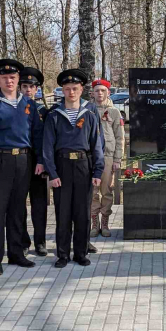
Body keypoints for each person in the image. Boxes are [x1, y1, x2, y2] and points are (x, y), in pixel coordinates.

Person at [0, 59, 39, 275]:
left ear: (18, 79)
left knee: (18, 209)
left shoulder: (28, 104)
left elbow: (36, 134)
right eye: (5, 77)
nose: (9, 81)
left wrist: (40, 161)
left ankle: (16, 253)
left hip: (23, 160)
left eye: (13, 77)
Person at [42, 69, 104, 267]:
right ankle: (62, 254)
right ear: (62, 90)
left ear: (81, 89)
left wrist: (98, 170)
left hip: (83, 166)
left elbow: (97, 144)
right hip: (62, 166)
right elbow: (47, 147)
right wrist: (52, 173)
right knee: (63, 212)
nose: (71, 92)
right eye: (67, 89)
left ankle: (81, 253)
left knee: (82, 212)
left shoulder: (90, 114)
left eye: (75, 88)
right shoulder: (54, 115)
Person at [20, 67, 51, 256]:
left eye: (31, 87)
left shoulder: (43, 111)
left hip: (38, 162)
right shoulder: (16, 108)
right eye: (24, 86)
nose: (28, 90)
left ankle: (40, 242)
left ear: (37, 89)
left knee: (39, 204)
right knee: (19, 204)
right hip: (20, 161)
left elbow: (46, 139)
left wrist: (43, 161)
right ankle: (23, 241)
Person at [90, 78, 124, 238]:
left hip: (107, 156)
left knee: (106, 191)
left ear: (108, 93)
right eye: (97, 90)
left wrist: (117, 159)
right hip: (90, 156)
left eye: (103, 90)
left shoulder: (114, 112)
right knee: (92, 191)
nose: (100, 93)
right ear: (92, 93)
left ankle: (105, 223)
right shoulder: (88, 110)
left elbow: (120, 137)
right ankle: (94, 223)